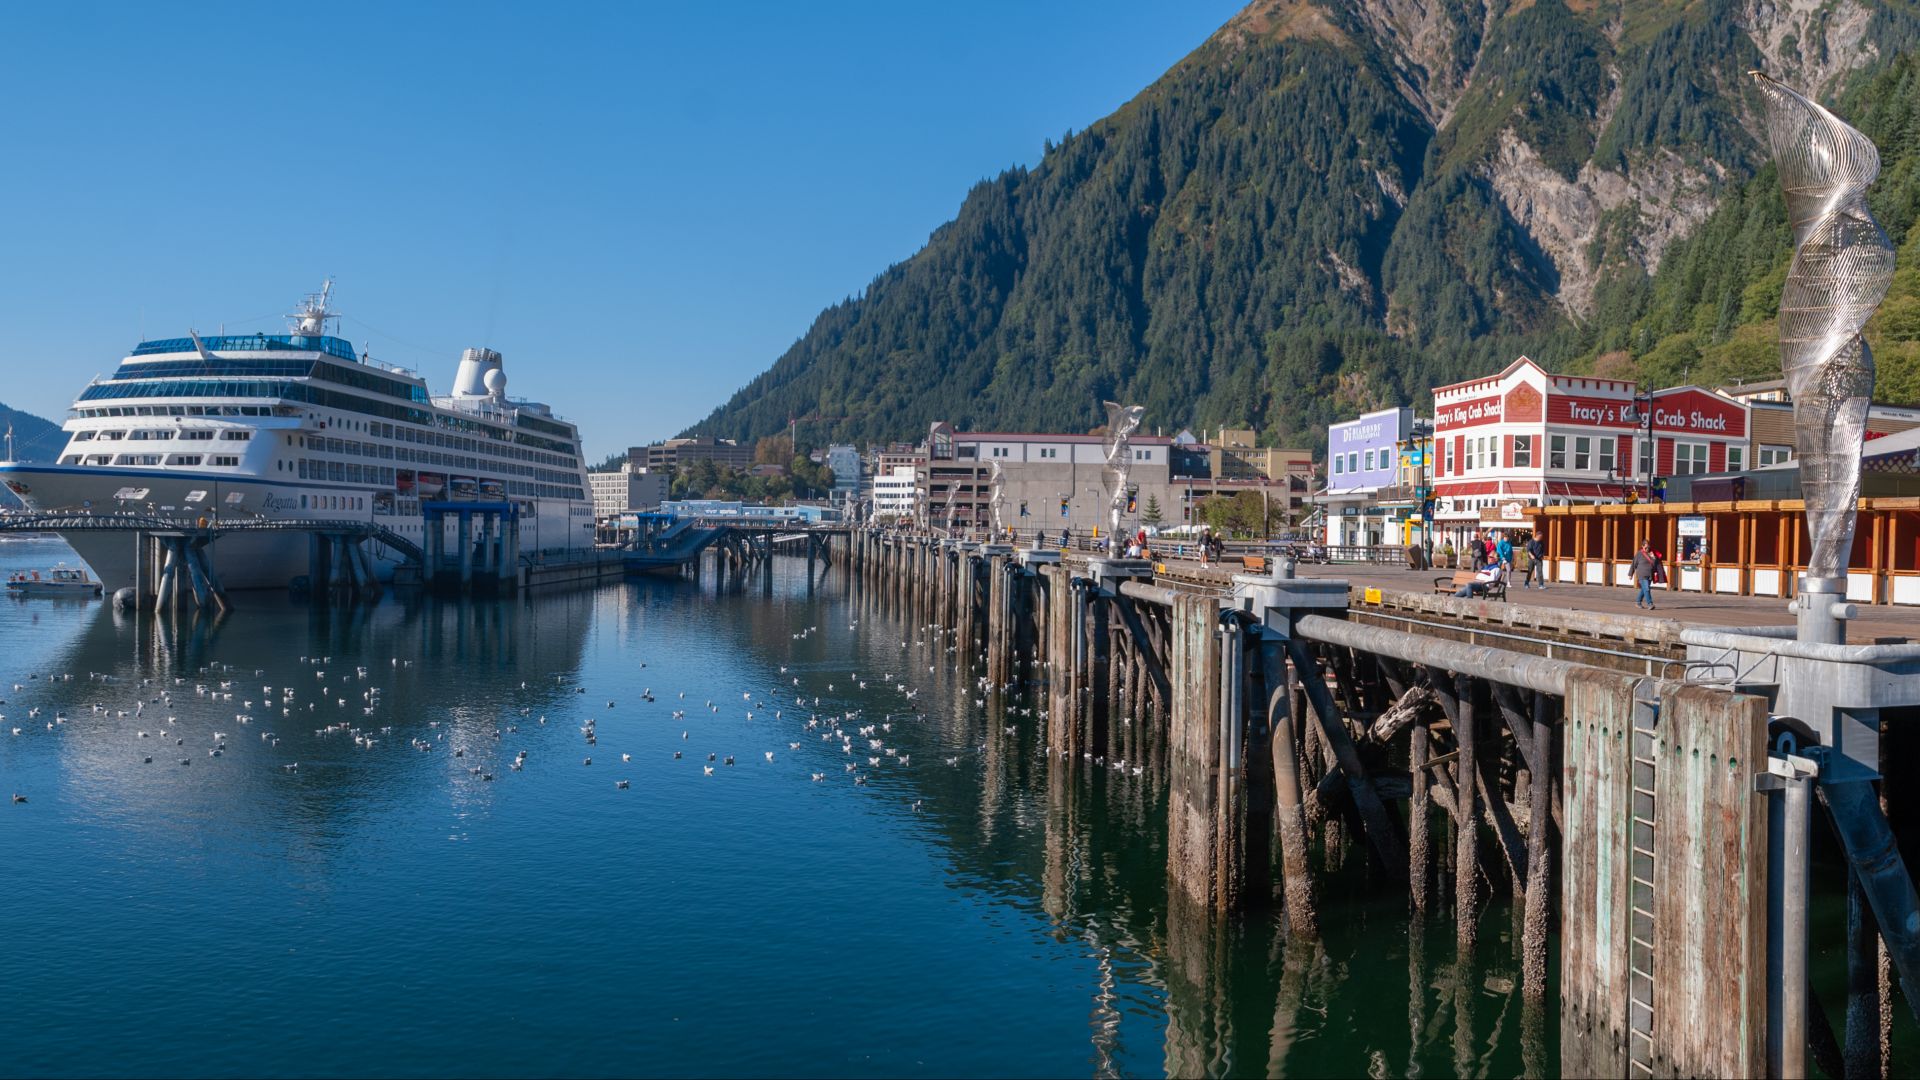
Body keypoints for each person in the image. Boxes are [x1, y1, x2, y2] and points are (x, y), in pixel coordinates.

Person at [1631, 540, 1660, 610]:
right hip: (1641, 574)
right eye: (1645, 547)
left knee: (1644, 589)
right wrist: (1630, 574)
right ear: (1642, 546)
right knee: (1647, 589)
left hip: (1649, 575)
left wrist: (1653, 557)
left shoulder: (1651, 553)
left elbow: (1654, 564)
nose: (1647, 549)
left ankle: (1638, 602)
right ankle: (1650, 604)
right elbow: (1633, 564)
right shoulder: (1639, 554)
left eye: (1648, 547)